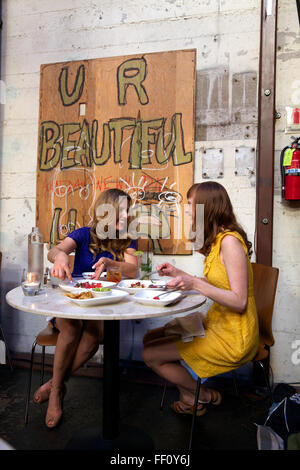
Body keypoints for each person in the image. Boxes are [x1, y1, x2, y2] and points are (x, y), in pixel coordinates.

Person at [142, 181, 259, 416]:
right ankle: (190, 395)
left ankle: (201, 395)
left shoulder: (230, 243)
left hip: (234, 337)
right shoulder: (218, 241)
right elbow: (217, 284)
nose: (186, 209)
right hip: (216, 323)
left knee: (150, 355)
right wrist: (181, 275)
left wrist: (194, 283)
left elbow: (239, 301)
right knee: (152, 337)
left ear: (206, 206)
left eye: (189, 203)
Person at [33, 188, 138, 428]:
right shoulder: (82, 234)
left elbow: (132, 270)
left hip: (102, 303)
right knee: (70, 330)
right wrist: (60, 256)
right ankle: (57, 394)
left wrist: (112, 263)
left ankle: (55, 384)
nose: (126, 216)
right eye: (121, 211)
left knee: (93, 338)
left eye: (127, 211)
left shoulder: (128, 236)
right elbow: (55, 251)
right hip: (72, 300)